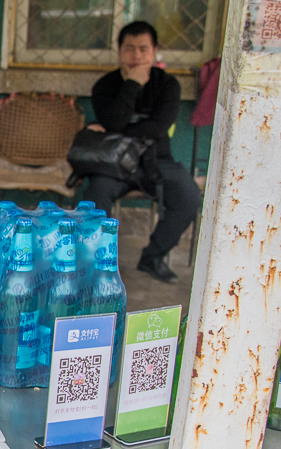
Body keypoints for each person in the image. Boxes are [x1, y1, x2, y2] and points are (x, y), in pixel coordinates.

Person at [84, 21, 202, 283]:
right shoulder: (105, 86)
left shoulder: (168, 85)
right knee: (95, 197)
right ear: (119, 51)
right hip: (114, 163)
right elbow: (114, 121)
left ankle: (152, 257)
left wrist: (118, 129)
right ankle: (97, 264)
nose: (136, 55)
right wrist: (132, 85)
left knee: (188, 196)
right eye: (129, 49)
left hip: (157, 160)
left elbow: (159, 127)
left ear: (154, 51)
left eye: (143, 49)